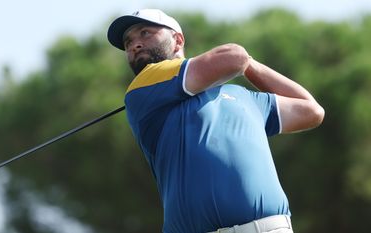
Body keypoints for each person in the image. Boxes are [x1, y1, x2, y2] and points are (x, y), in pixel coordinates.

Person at [107, 9, 324, 233]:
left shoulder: (244, 97)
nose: (135, 44)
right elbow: (233, 58)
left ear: (177, 40)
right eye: (128, 42)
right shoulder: (142, 88)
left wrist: (250, 66)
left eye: (145, 33)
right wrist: (242, 63)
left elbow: (311, 110)